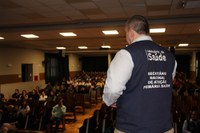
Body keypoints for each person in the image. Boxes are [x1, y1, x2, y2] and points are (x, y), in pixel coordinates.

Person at [102, 15, 177, 133]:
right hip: (164, 127)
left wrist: (109, 100)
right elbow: (166, 83)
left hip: (132, 127)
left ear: (131, 32)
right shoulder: (170, 57)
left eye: (125, 33)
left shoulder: (126, 54)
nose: (126, 37)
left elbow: (113, 89)